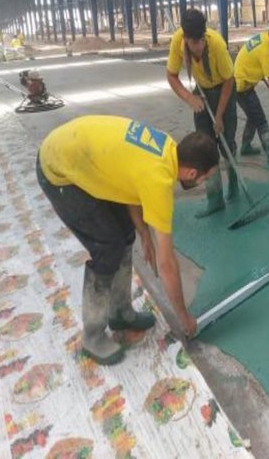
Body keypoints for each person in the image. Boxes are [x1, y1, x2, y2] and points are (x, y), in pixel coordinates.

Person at [36, 116, 219, 365]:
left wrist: (143, 233)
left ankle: (120, 312)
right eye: (204, 179)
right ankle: (92, 335)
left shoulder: (167, 147)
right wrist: (183, 317)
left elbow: (130, 185)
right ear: (192, 172)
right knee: (107, 247)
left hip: (76, 149)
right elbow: (166, 263)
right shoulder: (159, 179)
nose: (202, 183)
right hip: (57, 168)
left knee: (125, 233)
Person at [166, 8, 238, 218]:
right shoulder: (178, 41)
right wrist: (190, 98)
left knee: (226, 141)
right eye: (193, 43)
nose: (199, 47)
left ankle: (234, 184)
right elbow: (171, 75)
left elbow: (229, 80)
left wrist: (219, 115)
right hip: (202, 92)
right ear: (186, 39)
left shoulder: (216, 44)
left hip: (224, 91)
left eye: (201, 41)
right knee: (205, 146)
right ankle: (215, 199)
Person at [233, 20, 269, 165]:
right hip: (242, 86)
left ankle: (245, 146)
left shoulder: (263, 38)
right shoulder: (266, 51)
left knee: (253, 116)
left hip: (241, 81)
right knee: (260, 119)